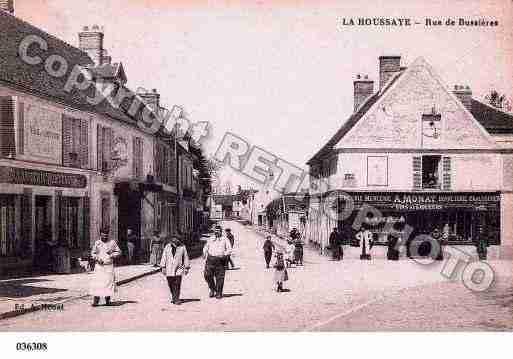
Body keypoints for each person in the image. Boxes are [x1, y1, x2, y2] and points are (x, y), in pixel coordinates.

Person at [90, 228, 121, 307]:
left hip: (108, 266)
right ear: (100, 234)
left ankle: (108, 300)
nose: (104, 237)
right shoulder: (97, 243)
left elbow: (119, 252)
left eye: (106, 236)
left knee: (108, 283)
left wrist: (112, 254)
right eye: (103, 236)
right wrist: (97, 258)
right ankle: (96, 301)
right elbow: (93, 253)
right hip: (99, 266)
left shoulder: (112, 242)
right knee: (98, 283)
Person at [203, 225, 232, 299]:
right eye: (215, 231)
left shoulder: (225, 239)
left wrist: (224, 254)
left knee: (220, 278)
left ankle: (219, 293)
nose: (216, 232)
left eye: (218, 231)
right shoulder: (210, 239)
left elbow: (229, 249)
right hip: (210, 259)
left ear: (221, 231)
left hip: (220, 260)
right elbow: (206, 247)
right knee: (207, 275)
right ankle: (212, 288)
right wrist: (204, 253)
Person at [160, 235, 190, 305]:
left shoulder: (182, 247)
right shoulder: (167, 246)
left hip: (179, 268)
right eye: (174, 239)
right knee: (170, 283)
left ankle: (176, 299)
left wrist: (186, 267)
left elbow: (185, 257)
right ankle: (174, 296)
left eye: (177, 239)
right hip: (169, 268)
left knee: (177, 283)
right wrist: (163, 267)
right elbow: (164, 256)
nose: (175, 240)